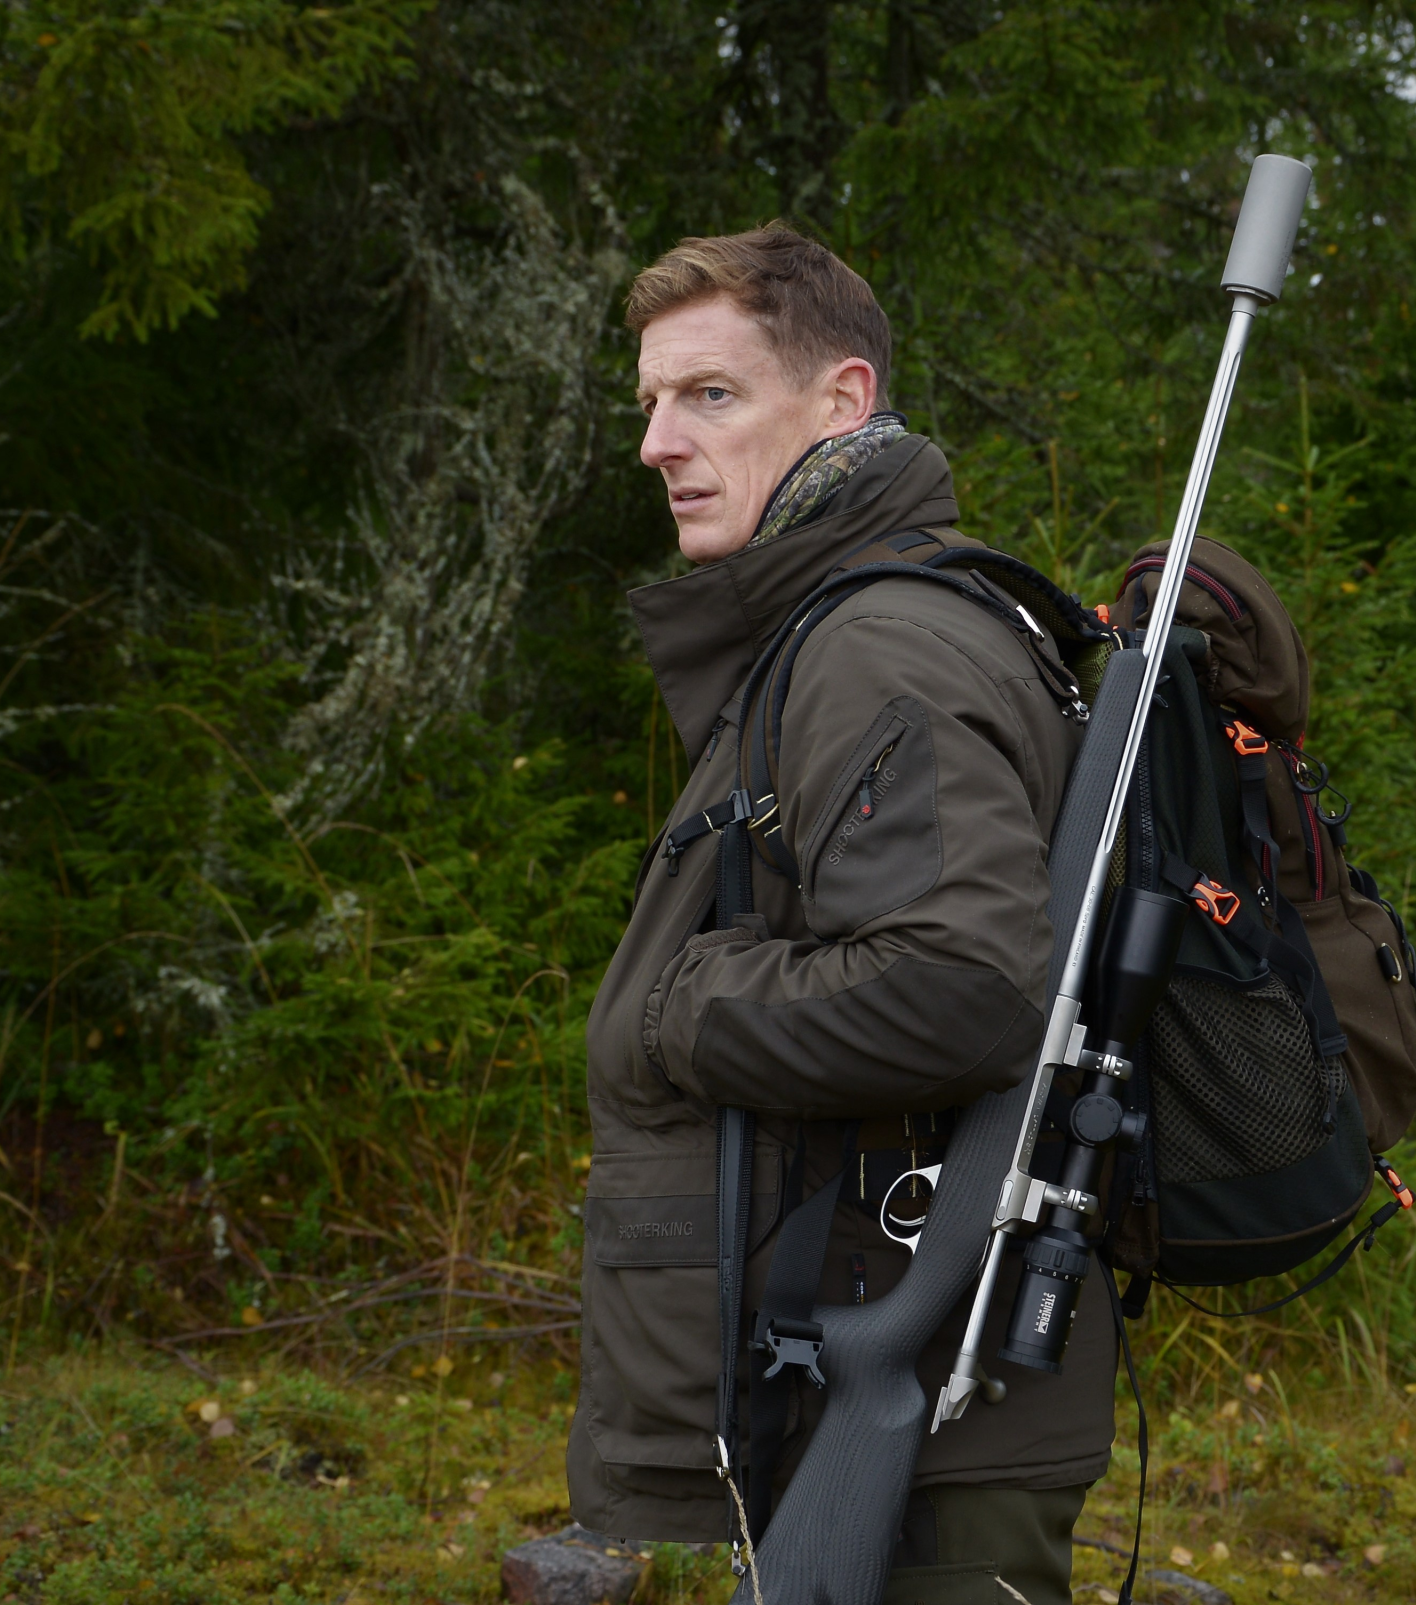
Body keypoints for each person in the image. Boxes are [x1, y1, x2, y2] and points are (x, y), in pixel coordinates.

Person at [568, 223, 1115, 1605]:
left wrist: (676, 1002)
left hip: (924, 1418)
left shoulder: (878, 648)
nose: (656, 442)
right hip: (876, 1378)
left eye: (709, 395)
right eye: (648, 402)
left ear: (843, 403)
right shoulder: (846, 630)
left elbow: (960, 985)